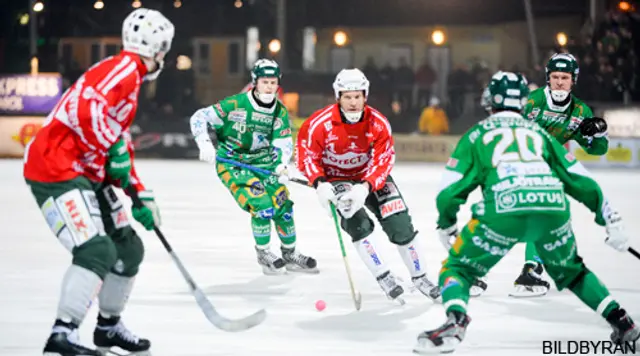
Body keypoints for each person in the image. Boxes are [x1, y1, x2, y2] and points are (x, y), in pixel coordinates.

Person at [413, 71, 637, 354]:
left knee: (457, 269)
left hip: (504, 210)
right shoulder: (539, 133)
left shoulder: (476, 134)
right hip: (552, 208)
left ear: (488, 101)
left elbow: (449, 191)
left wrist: (446, 225)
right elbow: (579, 179)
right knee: (573, 273)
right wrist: (610, 219)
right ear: (522, 102)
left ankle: (455, 322)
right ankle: (623, 322)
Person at [23, 8, 173, 355]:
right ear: (155, 49)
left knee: (128, 249)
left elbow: (116, 144)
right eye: (164, 47)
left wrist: (139, 193)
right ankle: (62, 334)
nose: (165, 55)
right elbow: (86, 110)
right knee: (96, 249)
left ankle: (107, 327)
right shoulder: (123, 69)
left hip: (86, 171)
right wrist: (115, 145)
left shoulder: (130, 78)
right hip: (56, 168)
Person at [294, 68, 440, 303]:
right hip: (337, 179)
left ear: (365, 96)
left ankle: (420, 276)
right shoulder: (318, 124)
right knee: (357, 223)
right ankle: (383, 275)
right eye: (347, 96)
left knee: (400, 224)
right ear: (338, 97)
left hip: (371, 178)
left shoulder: (378, 123)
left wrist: (365, 187)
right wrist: (320, 183)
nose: (353, 102)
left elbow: (384, 160)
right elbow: (306, 156)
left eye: (357, 96)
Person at [189, 58, 317, 275]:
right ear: (255, 82)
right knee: (262, 205)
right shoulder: (236, 104)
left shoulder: (280, 111)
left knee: (283, 207)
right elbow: (199, 117)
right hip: (234, 164)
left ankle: (289, 253)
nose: (269, 87)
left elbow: (283, 142)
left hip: (265, 165)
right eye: (265, 82)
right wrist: (205, 143)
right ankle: (264, 252)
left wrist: (281, 166)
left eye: (273, 82)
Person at [509, 53, 610, 298]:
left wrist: (596, 134)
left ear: (573, 80)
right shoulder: (531, 102)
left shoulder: (580, 110)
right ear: (548, 79)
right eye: (555, 77)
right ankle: (532, 269)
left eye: (565, 77)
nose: (560, 83)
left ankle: (535, 267)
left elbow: (598, 149)